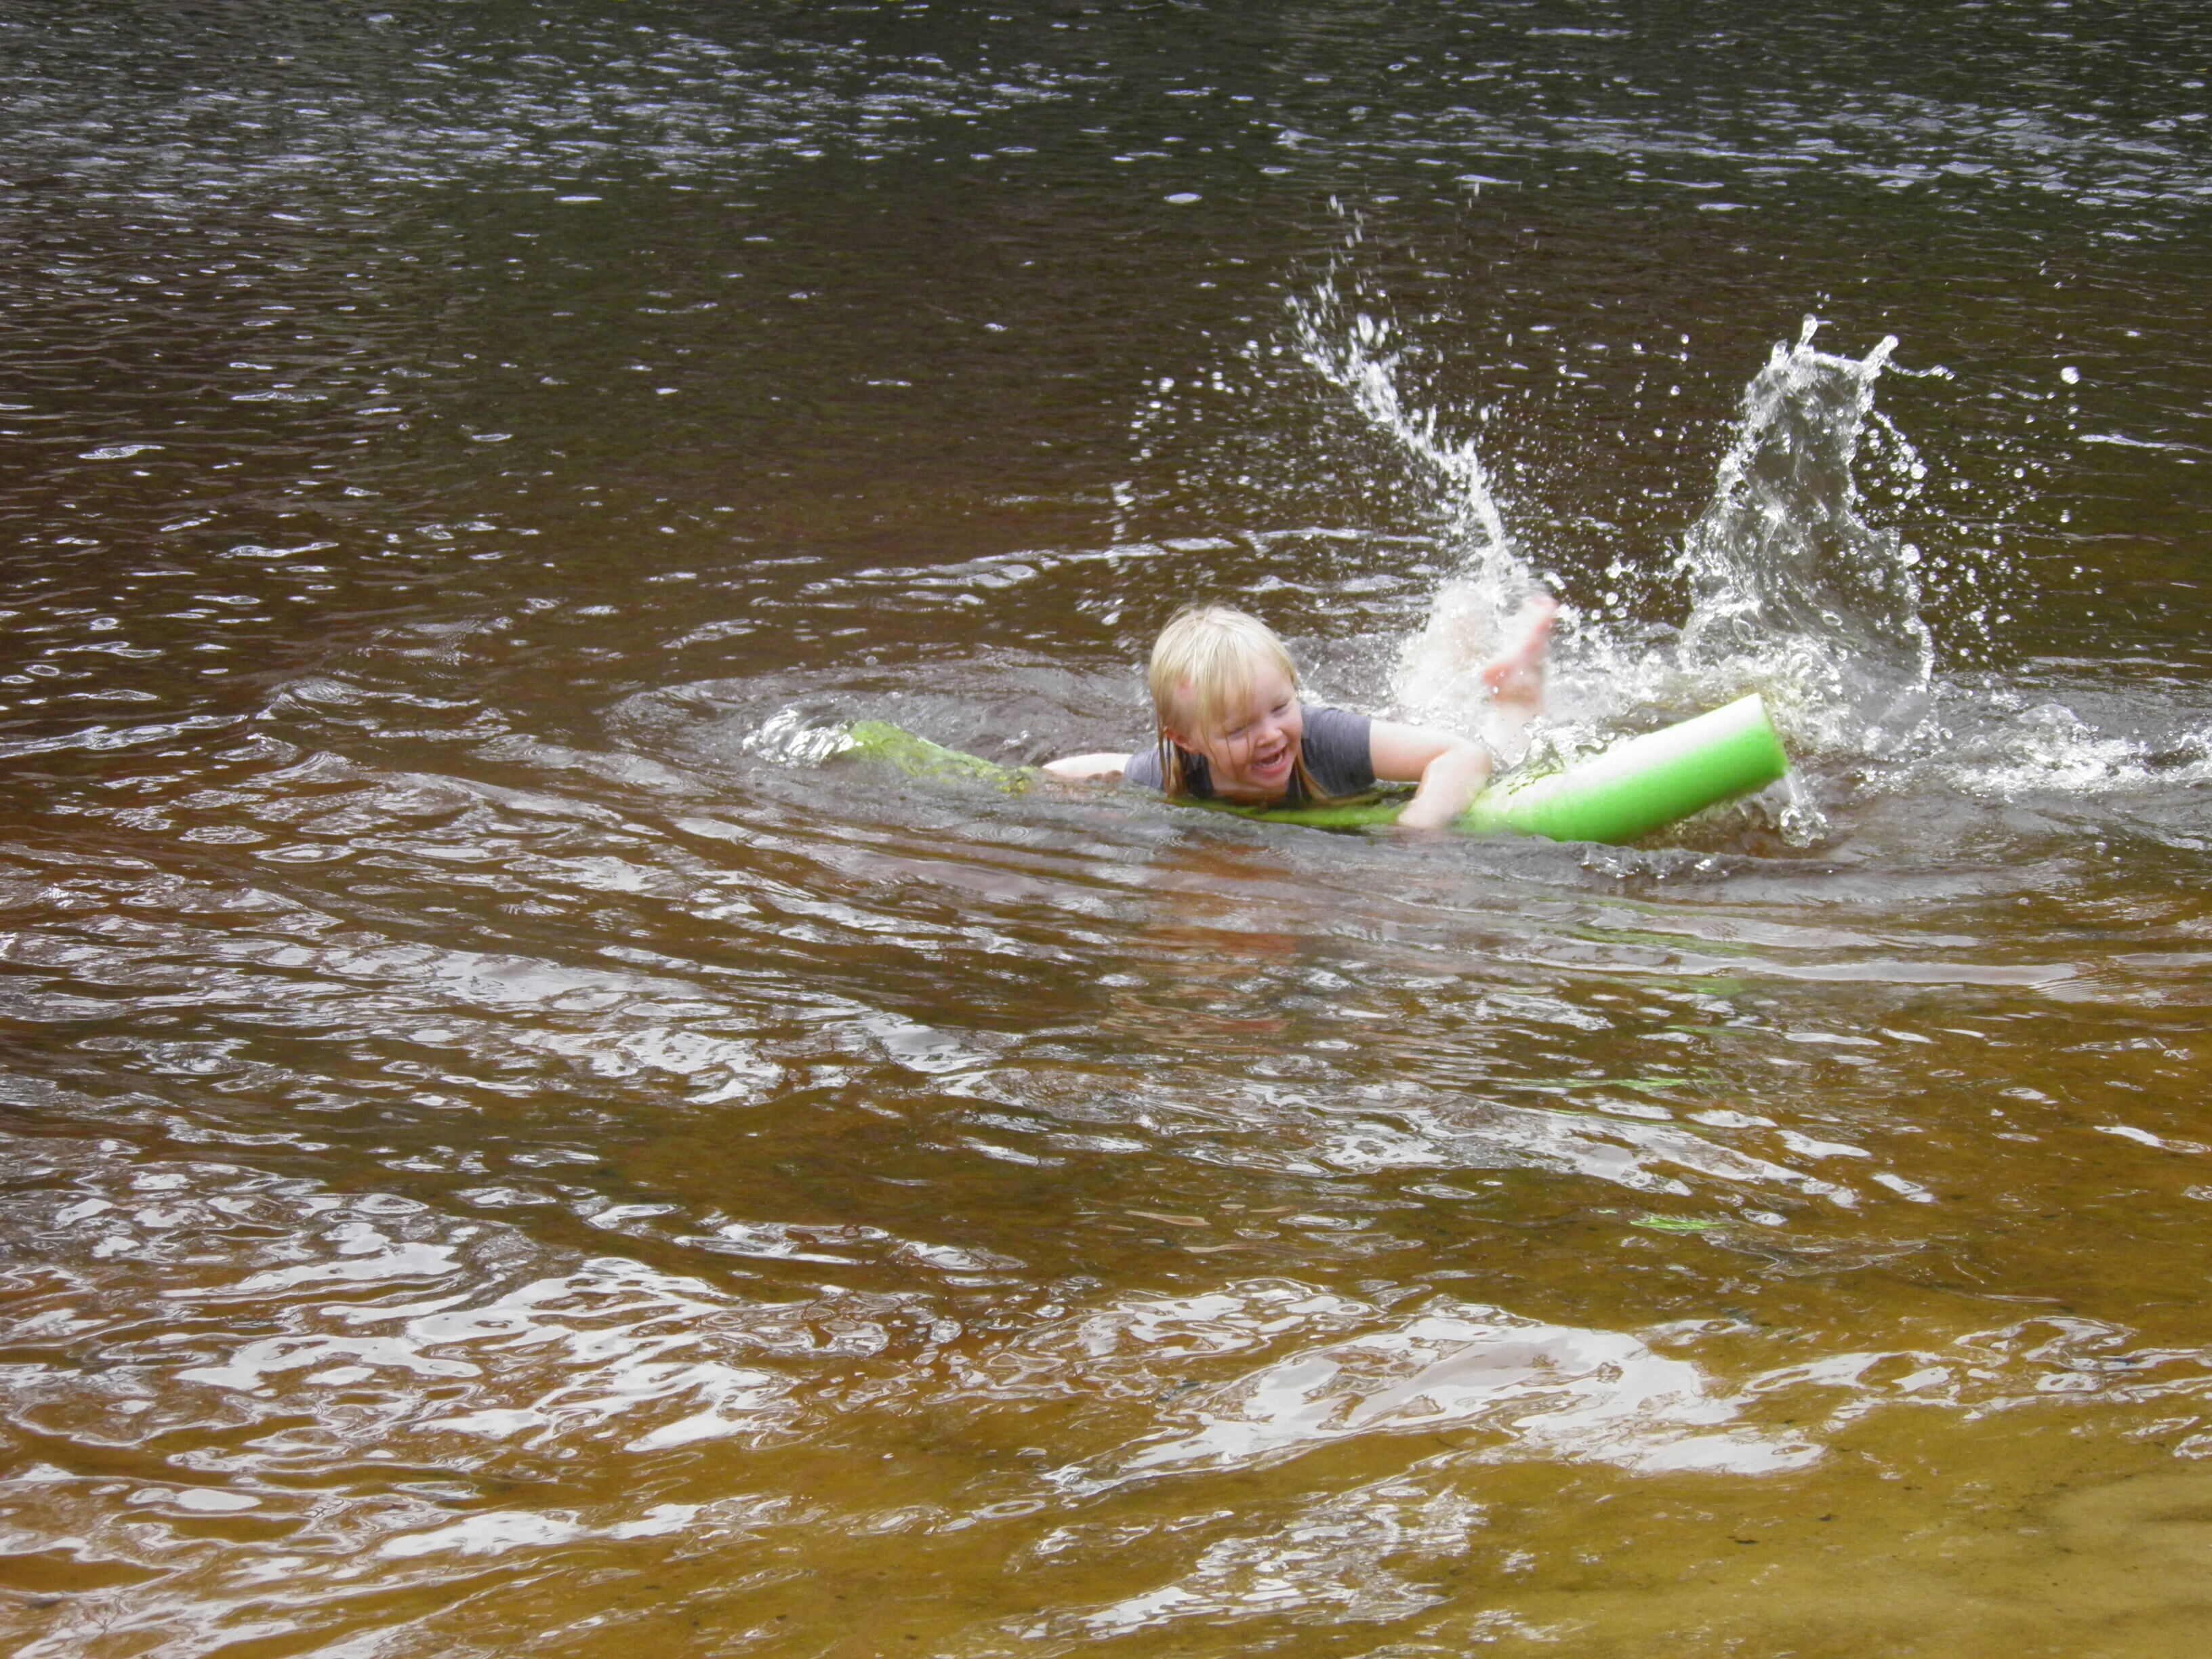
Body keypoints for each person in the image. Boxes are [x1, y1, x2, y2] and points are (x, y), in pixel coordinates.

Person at [1044, 596, 1556, 832]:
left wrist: (1421, 827)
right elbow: (1074, 771)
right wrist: (1026, 788)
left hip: (1374, 760)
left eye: (1279, 708)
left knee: (1508, 754)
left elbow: (1463, 754)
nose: (1270, 735)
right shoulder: (1175, 771)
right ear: (1187, 742)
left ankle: (1518, 686)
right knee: (1414, 710)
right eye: (1240, 728)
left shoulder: (1323, 736)